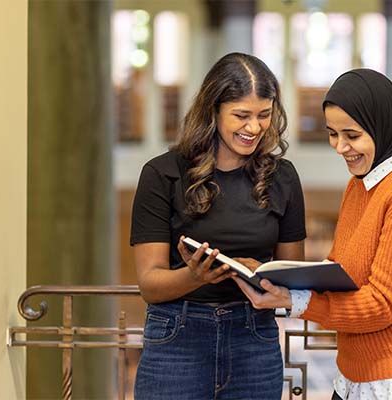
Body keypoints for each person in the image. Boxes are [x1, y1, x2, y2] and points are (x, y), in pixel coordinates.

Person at [235, 69, 392, 400]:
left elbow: (383, 304)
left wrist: (295, 300)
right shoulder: (360, 185)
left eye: (351, 135)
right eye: (333, 134)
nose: (340, 147)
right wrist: (271, 276)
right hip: (354, 376)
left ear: (382, 127)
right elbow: (342, 273)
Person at [130, 52, 306, 400]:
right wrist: (193, 276)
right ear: (213, 110)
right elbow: (150, 284)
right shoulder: (162, 174)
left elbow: (293, 277)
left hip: (253, 339)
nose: (254, 127)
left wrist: (264, 274)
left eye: (264, 115)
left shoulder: (282, 177)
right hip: (176, 338)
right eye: (241, 115)